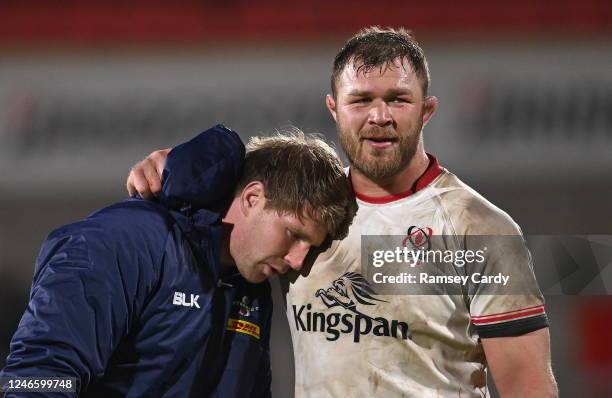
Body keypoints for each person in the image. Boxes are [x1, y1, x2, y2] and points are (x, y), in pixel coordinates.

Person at [127, 27, 558, 397]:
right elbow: (229, 198)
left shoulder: (480, 230)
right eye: (361, 99)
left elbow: (527, 384)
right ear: (334, 108)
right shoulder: (303, 211)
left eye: (398, 99)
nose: (379, 115)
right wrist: (170, 166)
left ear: (427, 110)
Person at [0, 125, 356, 397]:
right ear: (252, 198)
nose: (297, 260)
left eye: (310, 247)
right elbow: (38, 375)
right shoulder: (122, 243)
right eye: (294, 234)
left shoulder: (248, 286)